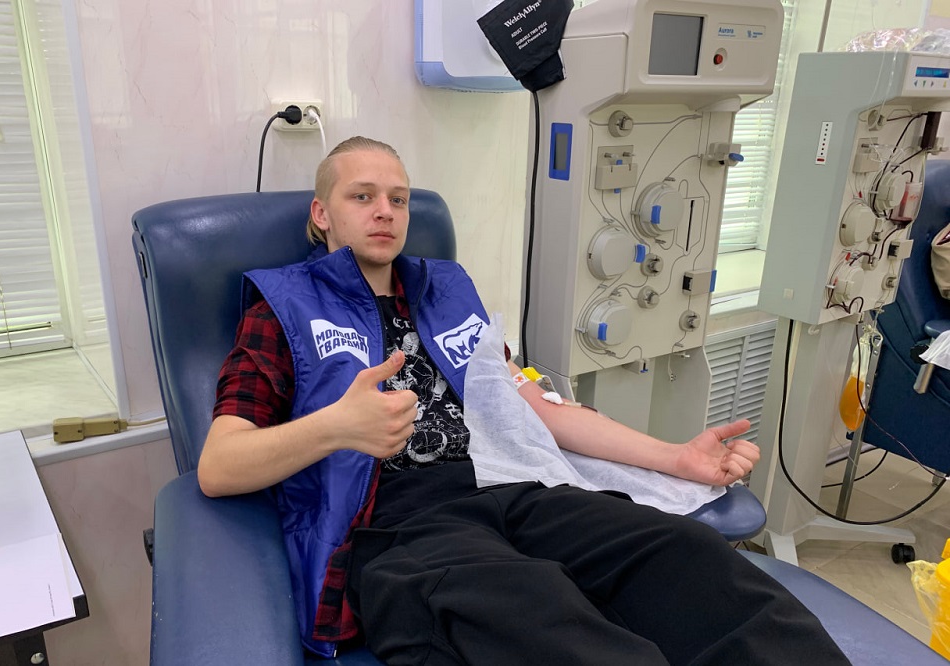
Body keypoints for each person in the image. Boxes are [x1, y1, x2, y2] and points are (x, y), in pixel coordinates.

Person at [198, 136, 851, 665]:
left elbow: (530, 404)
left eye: (398, 198)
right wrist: (337, 427)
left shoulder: (445, 292)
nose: (385, 211)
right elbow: (220, 467)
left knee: (691, 558)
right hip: (396, 527)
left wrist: (678, 458)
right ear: (322, 214)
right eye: (362, 196)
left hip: (514, 491)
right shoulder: (282, 309)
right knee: (546, 623)